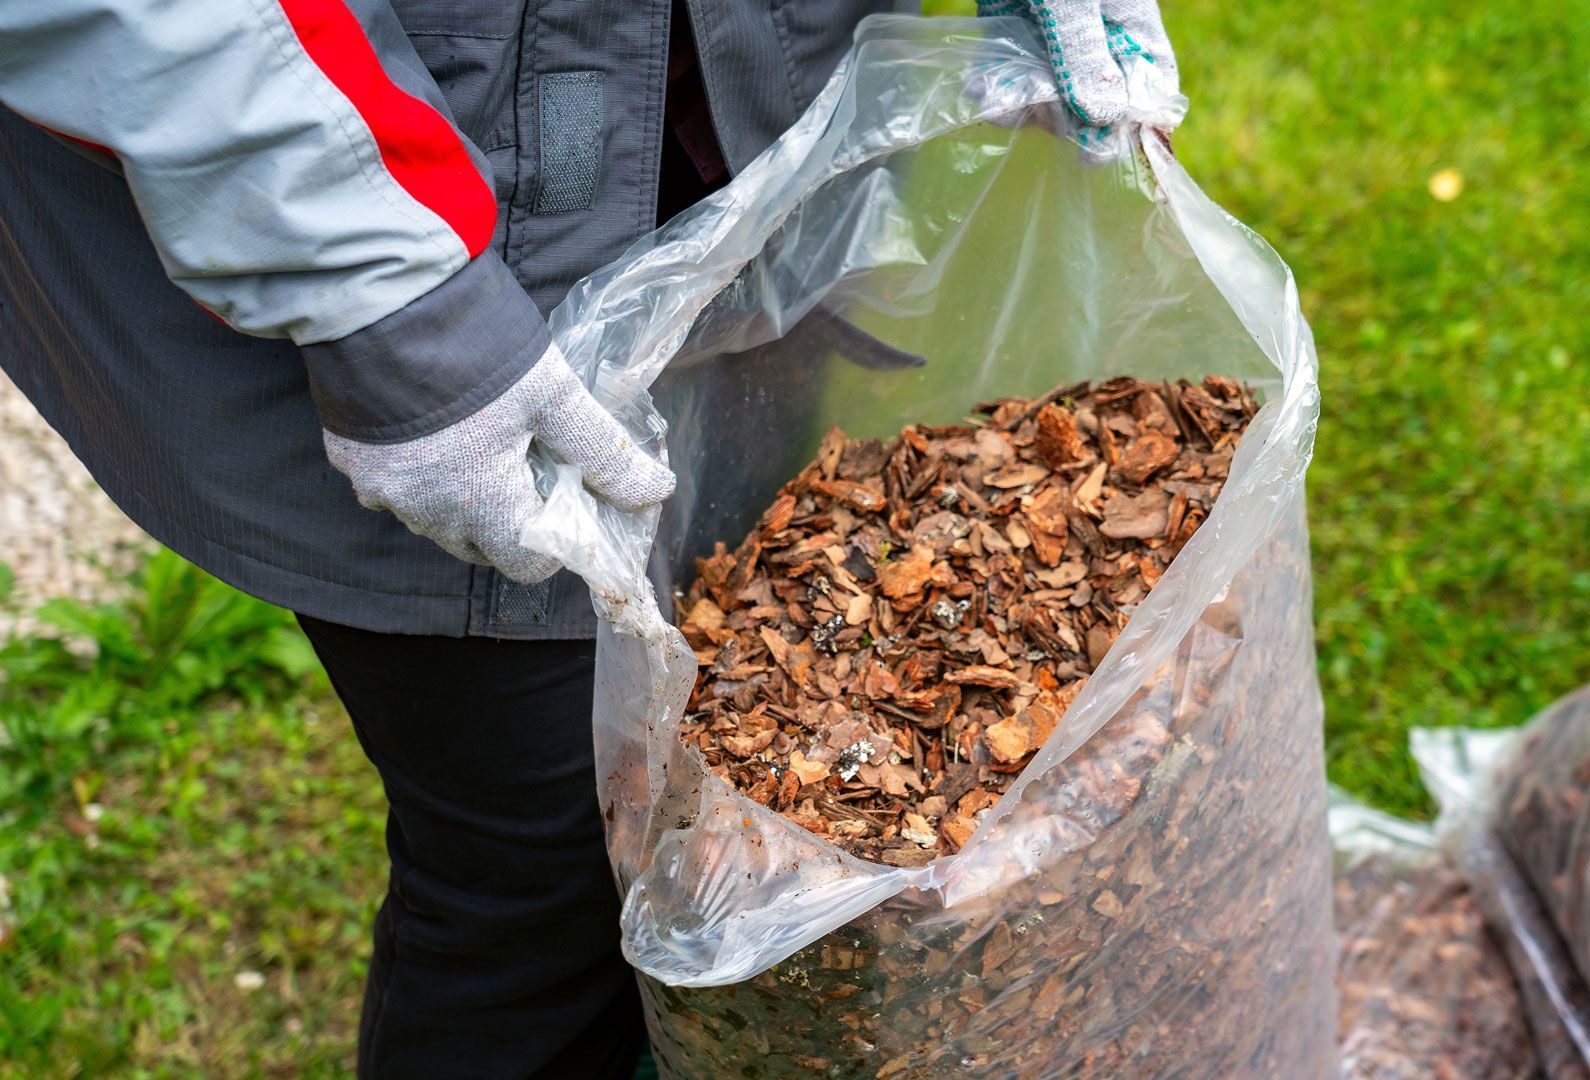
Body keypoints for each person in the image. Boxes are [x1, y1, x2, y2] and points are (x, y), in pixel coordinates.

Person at [0, 0, 1175, 1074]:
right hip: (404, 183)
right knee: (551, 854)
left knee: (759, 739)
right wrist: (387, 298)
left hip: (748, 108)